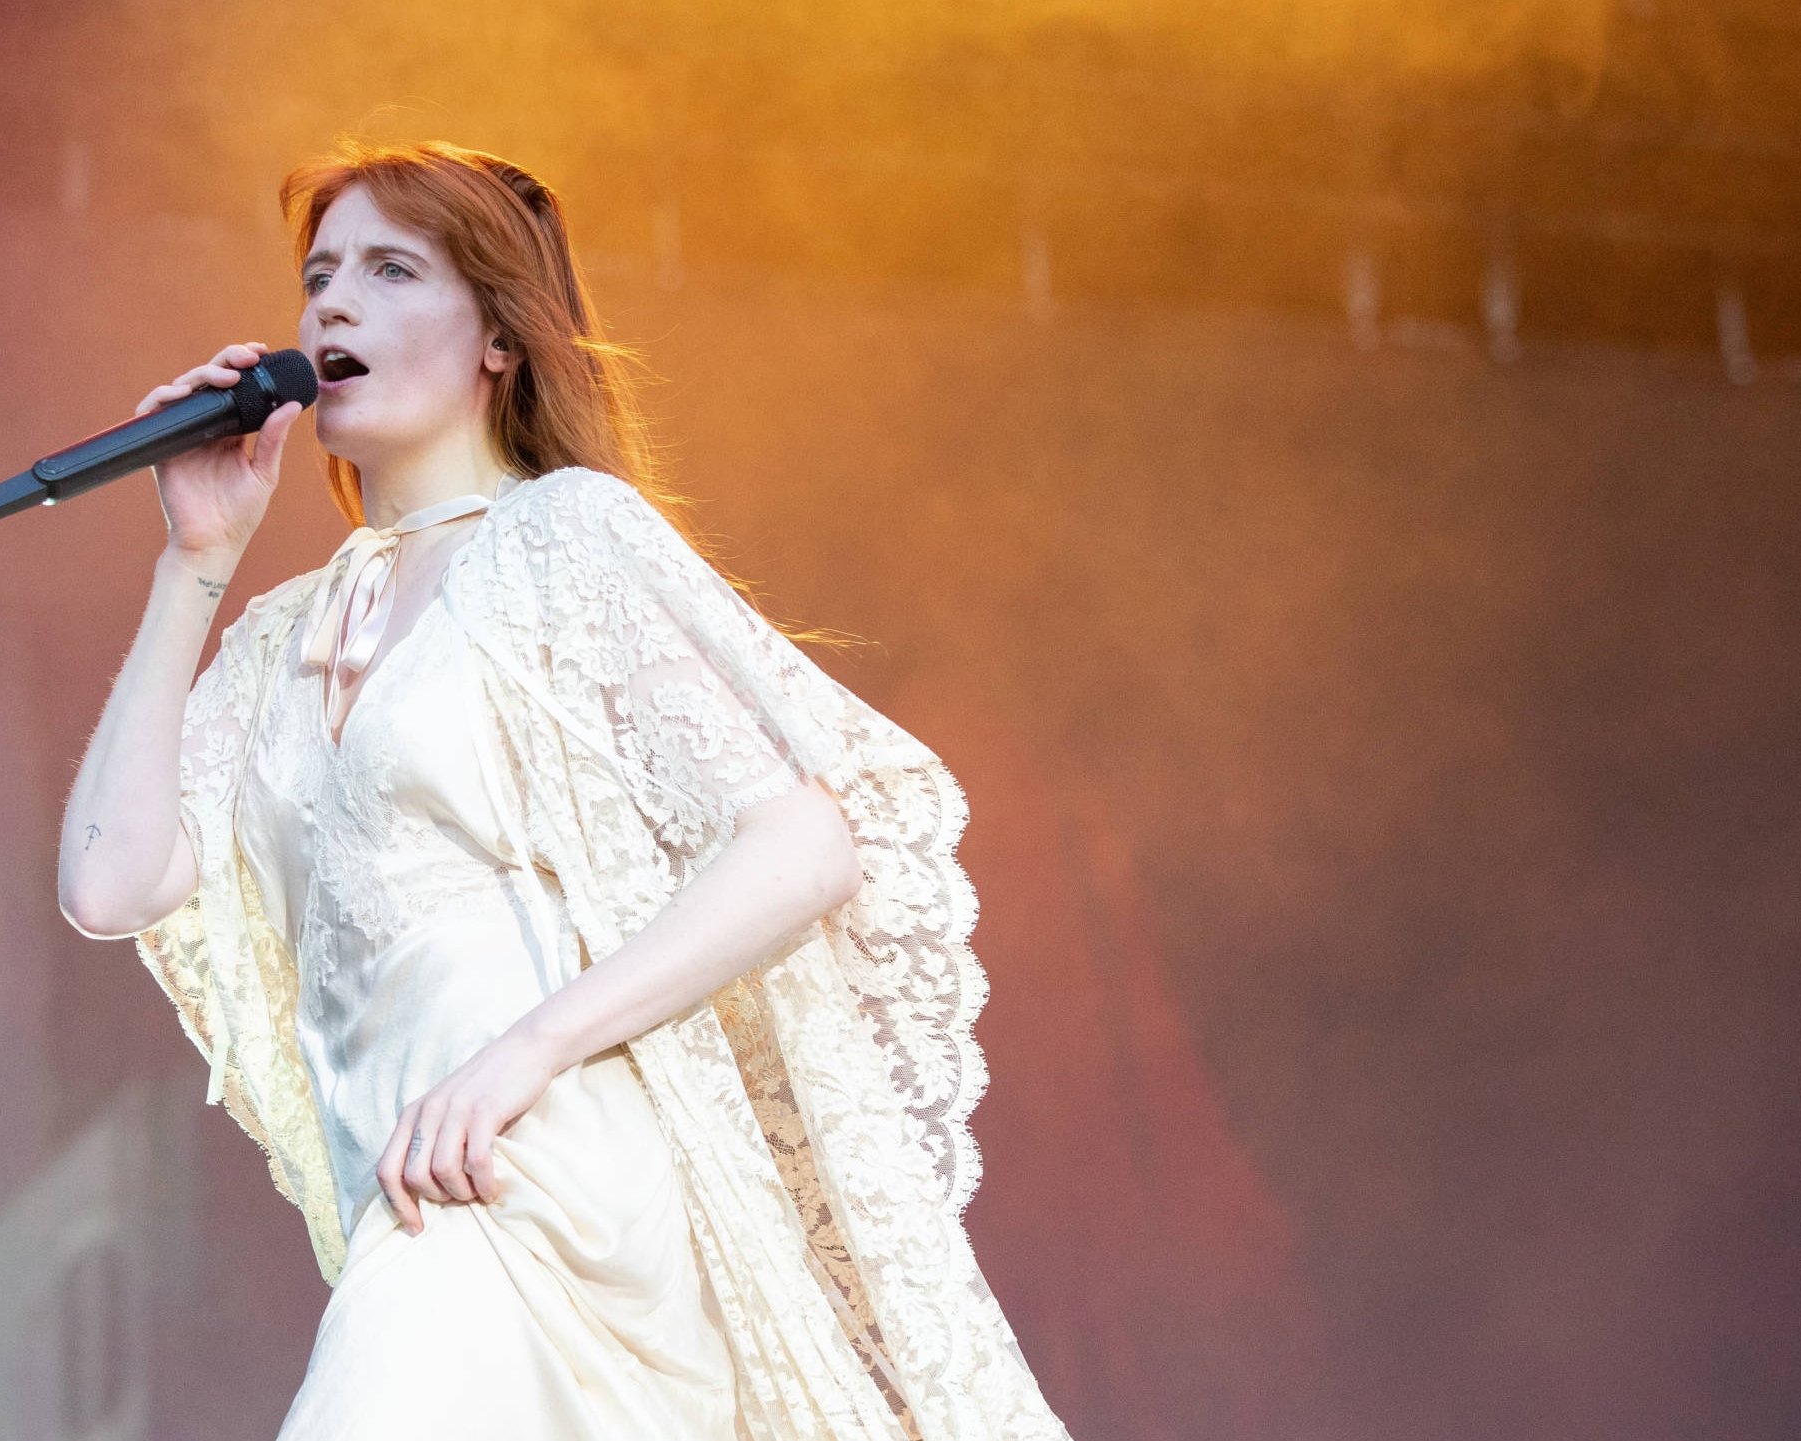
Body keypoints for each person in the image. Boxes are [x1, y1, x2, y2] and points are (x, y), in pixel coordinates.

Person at [56, 138, 1071, 1441]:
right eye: (317, 278)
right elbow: (110, 879)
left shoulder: (560, 539)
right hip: (419, 1211)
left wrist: (525, 1049)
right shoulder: (283, 634)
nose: (331, 309)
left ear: (497, 338)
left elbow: (808, 839)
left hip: (545, 1177)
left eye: (388, 268)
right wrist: (193, 562)